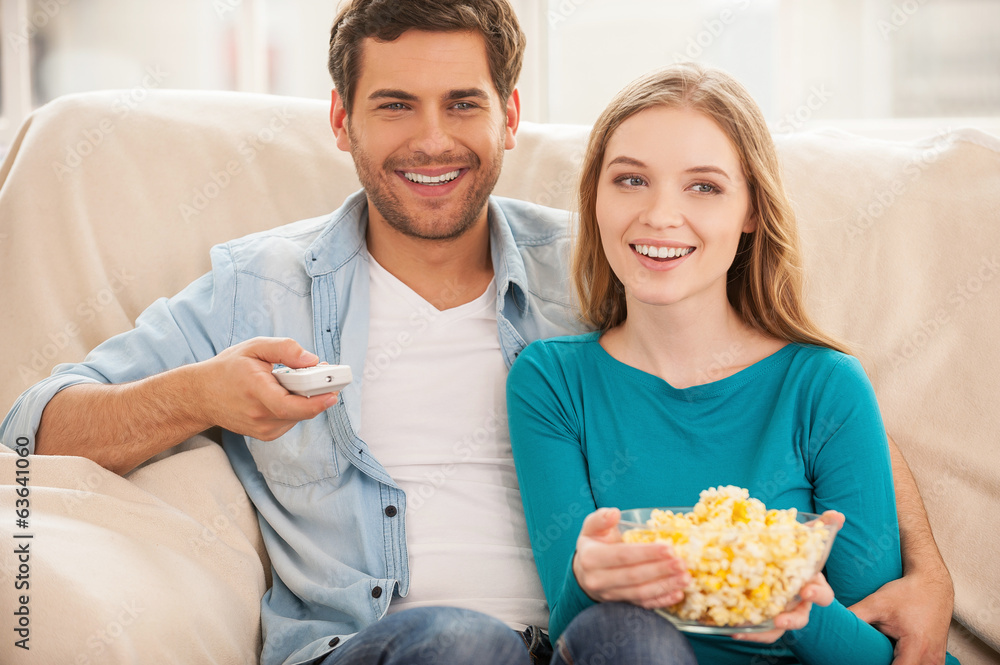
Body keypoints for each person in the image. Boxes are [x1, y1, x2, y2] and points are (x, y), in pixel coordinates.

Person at [0, 2, 952, 664]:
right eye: (393, 105)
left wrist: (929, 568)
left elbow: (785, 373)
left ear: (510, 120)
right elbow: (26, 433)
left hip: (599, 642)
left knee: (627, 642)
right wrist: (201, 395)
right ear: (341, 118)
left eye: (463, 104)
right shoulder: (261, 287)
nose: (432, 140)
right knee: (465, 646)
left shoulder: (606, 263)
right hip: (386, 647)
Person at [506, 63, 960, 665]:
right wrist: (589, 581)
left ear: (751, 212)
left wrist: (772, 595)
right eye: (631, 180)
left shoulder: (824, 387)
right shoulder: (550, 382)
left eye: (704, 187)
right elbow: (575, 635)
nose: (661, 215)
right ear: (595, 198)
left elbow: (884, 651)